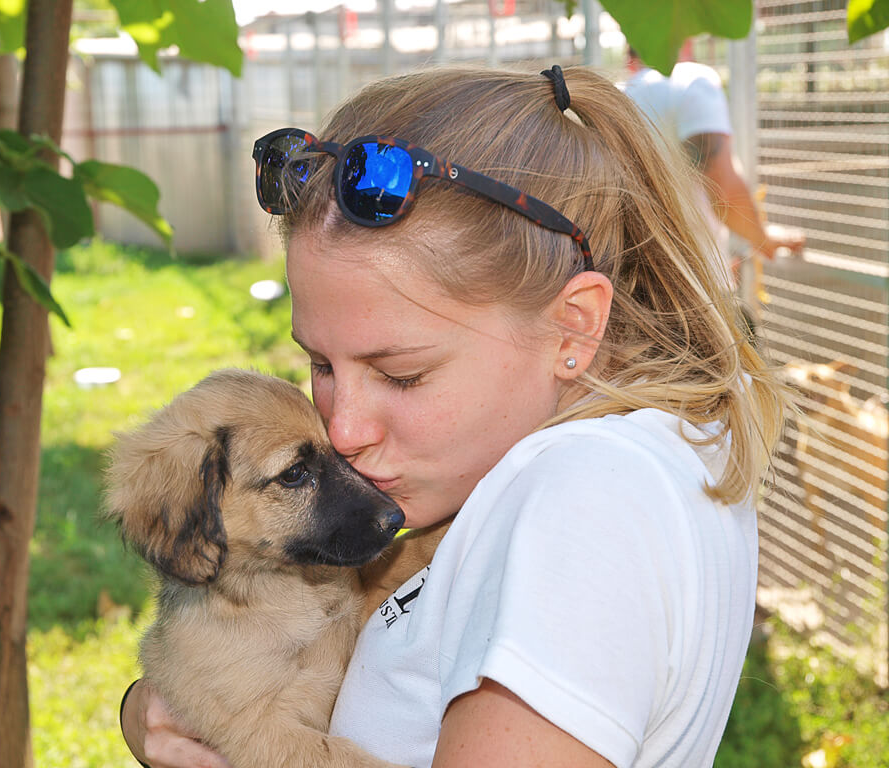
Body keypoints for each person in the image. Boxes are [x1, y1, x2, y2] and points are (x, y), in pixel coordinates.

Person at [119, 64, 787, 768]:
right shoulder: (640, 446)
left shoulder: (587, 499)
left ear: (574, 325)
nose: (342, 430)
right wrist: (159, 711)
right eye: (321, 365)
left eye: (401, 374)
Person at [622, 45, 805, 289]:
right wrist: (762, 238)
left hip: (633, 284)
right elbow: (722, 191)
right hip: (694, 284)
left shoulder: (618, 97)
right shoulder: (692, 82)